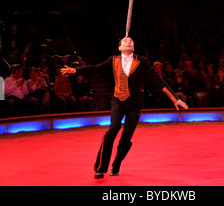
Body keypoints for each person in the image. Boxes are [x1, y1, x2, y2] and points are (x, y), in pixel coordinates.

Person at [61, 36, 188, 179]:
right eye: (125, 41)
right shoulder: (113, 60)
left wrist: (174, 99)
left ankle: (117, 162)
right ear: (120, 47)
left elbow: (158, 81)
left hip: (135, 105)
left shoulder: (142, 61)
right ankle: (100, 167)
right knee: (112, 129)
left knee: (125, 138)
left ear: (133, 48)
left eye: (131, 41)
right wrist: (75, 71)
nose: (128, 41)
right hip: (118, 100)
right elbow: (95, 68)